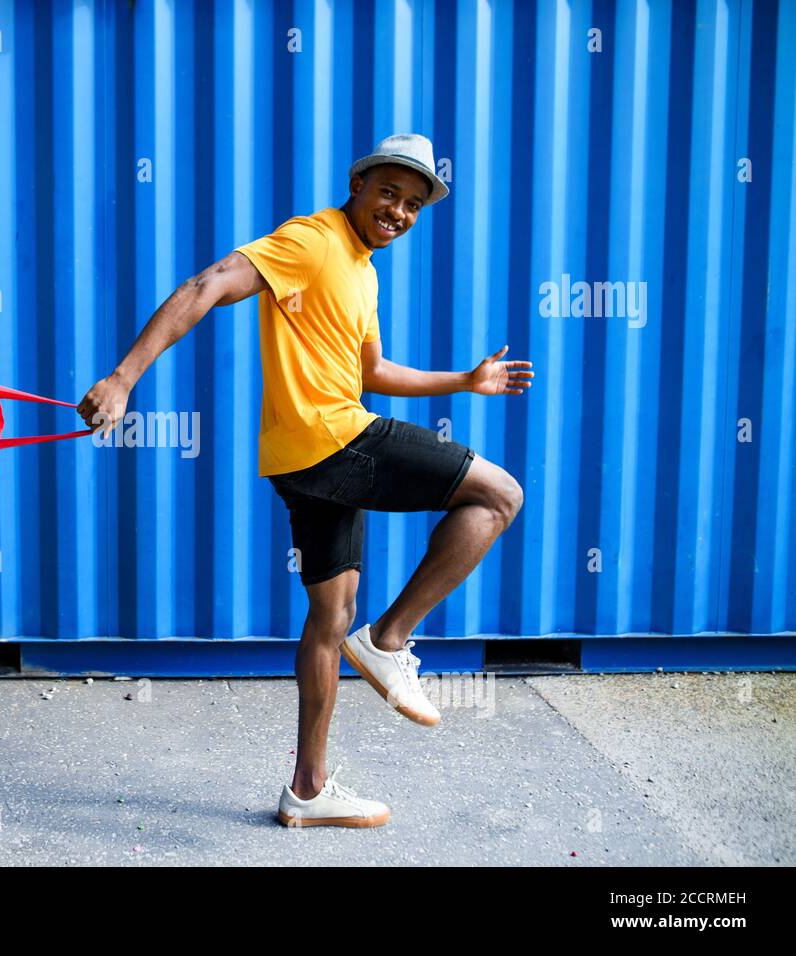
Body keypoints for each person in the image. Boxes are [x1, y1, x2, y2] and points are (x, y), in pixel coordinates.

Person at [76, 133, 531, 829]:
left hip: (301, 463)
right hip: (335, 440)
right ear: (358, 184)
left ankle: (307, 790)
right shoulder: (312, 241)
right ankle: (390, 643)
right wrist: (123, 376)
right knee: (500, 495)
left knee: (329, 620)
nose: (398, 211)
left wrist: (464, 382)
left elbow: (370, 372)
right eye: (389, 192)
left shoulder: (362, 267)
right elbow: (208, 285)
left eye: (413, 204)